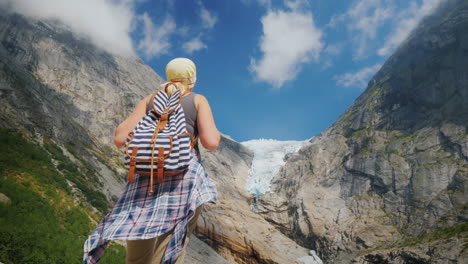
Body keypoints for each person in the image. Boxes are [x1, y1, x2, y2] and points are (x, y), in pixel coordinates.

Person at [83, 58, 220, 264]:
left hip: (146, 179)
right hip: (183, 179)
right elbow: (210, 142)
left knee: (138, 253)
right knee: (171, 247)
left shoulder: (150, 100)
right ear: (192, 79)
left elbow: (120, 139)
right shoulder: (197, 100)